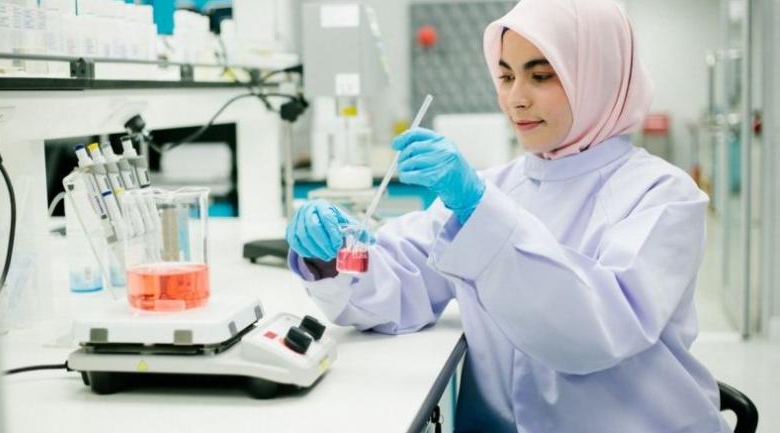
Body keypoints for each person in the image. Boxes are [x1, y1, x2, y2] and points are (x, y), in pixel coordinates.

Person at [286, 0, 729, 431]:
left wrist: (480, 213)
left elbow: (594, 333)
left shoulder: (663, 197)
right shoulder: (494, 188)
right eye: (505, 76)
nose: (516, 98)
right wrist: (331, 254)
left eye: (540, 75)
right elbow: (403, 280)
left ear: (598, 76)